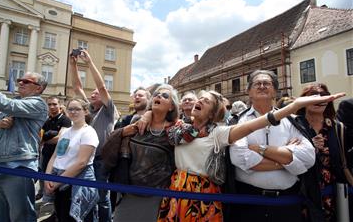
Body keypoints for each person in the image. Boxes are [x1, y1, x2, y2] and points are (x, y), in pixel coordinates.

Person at [151, 86, 344, 221]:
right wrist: (146, 115)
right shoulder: (178, 128)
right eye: (199, 99)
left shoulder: (218, 133)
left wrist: (292, 107)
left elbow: (256, 124)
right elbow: (161, 122)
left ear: (213, 112)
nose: (199, 101)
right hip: (176, 191)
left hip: (204, 195)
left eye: (206, 100)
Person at [228, 70, 318, 222]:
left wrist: (260, 149)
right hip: (249, 203)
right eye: (257, 83)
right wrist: (287, 159)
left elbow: (308, 157)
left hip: (287, 203)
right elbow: (239, 157)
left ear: (275, 91)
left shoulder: (292, 120)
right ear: (249, 91)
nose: (262, 86)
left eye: (267, 83)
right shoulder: (238, 122)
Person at [103, 84, 179, 222]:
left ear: (171, 107)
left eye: (165, 95)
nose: (159, 96)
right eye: (156, 94)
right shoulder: (137, 122)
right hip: (127, 192)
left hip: (155, 196)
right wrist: (123, 131)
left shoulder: (175, 130)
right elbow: (110, 140)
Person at [0, 72, 48, 222]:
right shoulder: (14, 102)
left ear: (39, 88)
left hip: (19, 165)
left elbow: (8, 105)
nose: (21, 83)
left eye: (26, 81)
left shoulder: (38, 103)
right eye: (19, 80)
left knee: (21, 217)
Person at [295, 83, 352, 221]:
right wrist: (308, 148)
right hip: (301, 195)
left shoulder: (338, 128)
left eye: (324, 96)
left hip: (333, 196)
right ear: (304, 100)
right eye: (313, 95)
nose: (319, 99)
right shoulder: (294, 126)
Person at [70, 49, 115, 221]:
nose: (93, 93)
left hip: (100, 159)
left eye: (97, 93)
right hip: (83, 158)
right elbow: (77, 87)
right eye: (92, 92)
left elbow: (102, 86)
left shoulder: (108, 110)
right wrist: (72, 64)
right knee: (85, 194)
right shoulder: (88, 109)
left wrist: (89, 62)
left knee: (102, 198)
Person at [44, 98, 99, 222]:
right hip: (58, 180)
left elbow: (81, 163)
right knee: (62, 216)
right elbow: (55, 156)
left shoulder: (89, 132)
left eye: (77, 109)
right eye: (70, 109)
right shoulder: (65, 131)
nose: (73, 112)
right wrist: (48, 178)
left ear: (85, 111)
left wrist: (56, 182)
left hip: (76, 182)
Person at [36, 96, 72, 201]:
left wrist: (45, 140)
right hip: (46, 153)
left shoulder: (65, 120)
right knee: (43, 175)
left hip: (59, 156)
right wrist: (44, 139)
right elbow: (39, 137)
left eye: (55, 104)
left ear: (60, 106)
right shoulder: (47, 120)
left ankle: (51, 202)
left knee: (55, 181)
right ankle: (43, 194)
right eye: (49, 104)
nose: (52, 107)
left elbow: (60, 139)